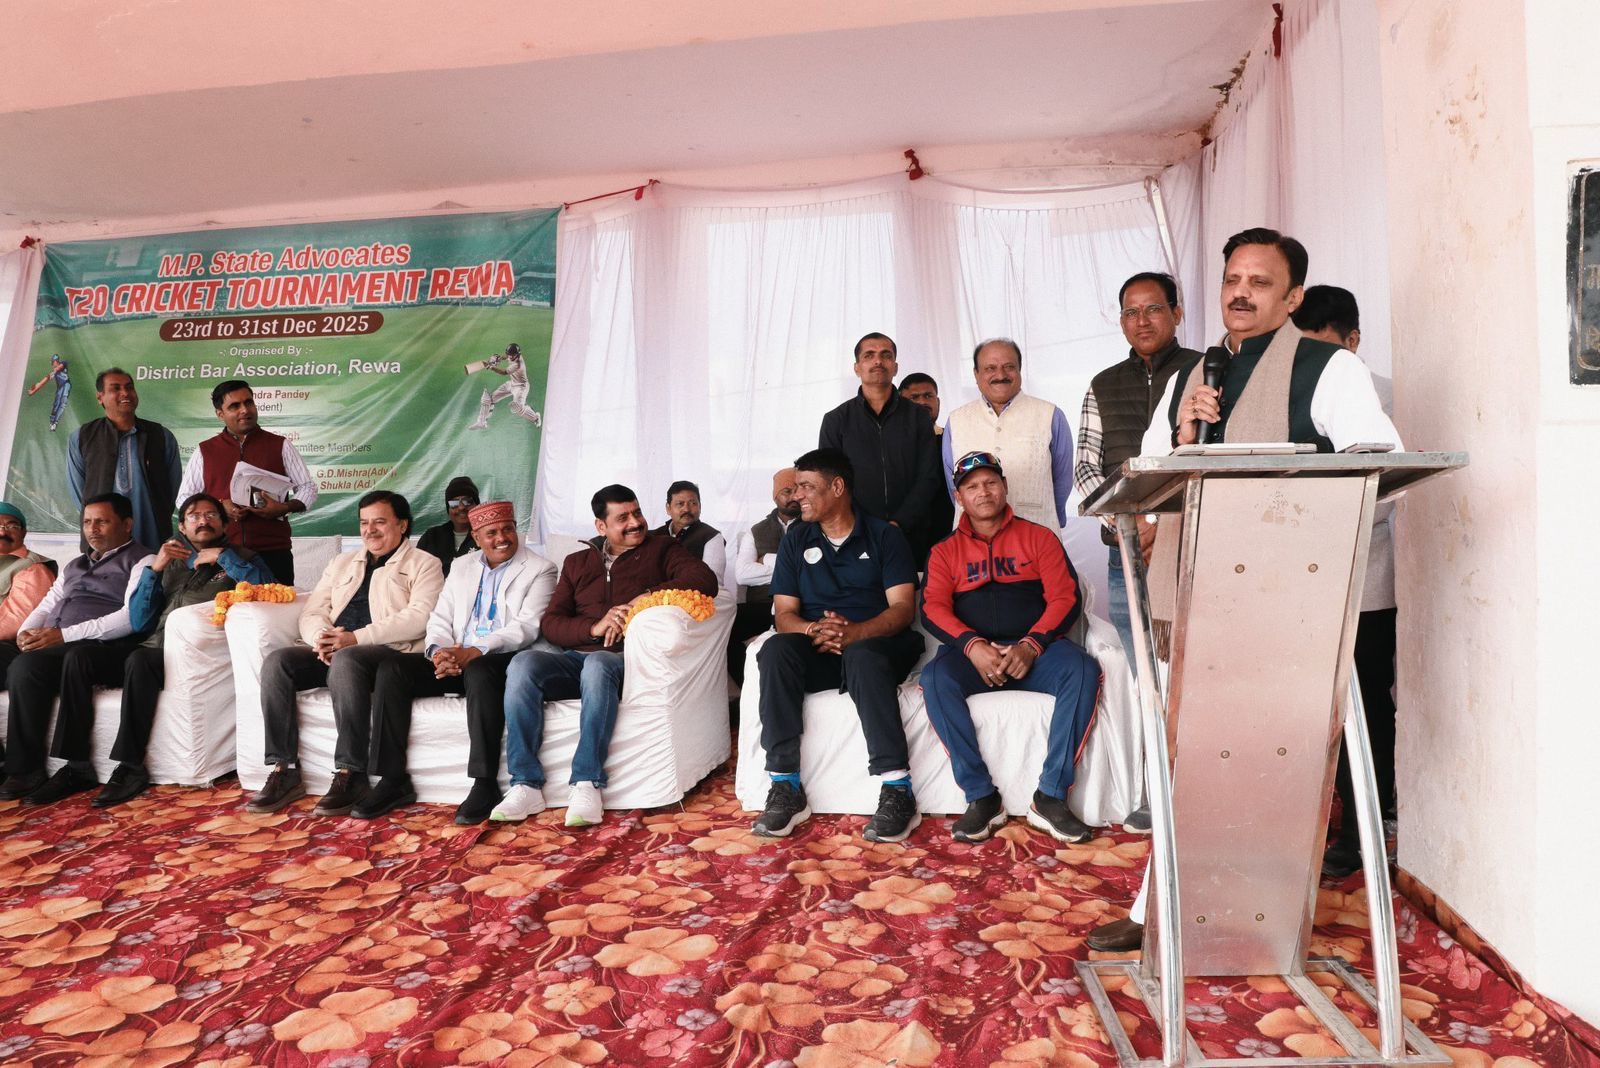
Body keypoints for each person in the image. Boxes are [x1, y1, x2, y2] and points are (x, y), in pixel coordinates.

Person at [1088, 228, 1402, 954]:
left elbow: (1377, 464)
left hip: (1284, 601)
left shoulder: (1328, 368)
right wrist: (1186, 434)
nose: (1241, 292)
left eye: (1260, 282)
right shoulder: (1192, 375)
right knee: (1186, 759)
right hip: (1194, 595)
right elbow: (1156, 473)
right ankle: (1161, 907)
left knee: (1268, 763)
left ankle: (1254, 911)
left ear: (1292, 298)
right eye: (1233, 278)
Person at [493, 484, 717, 827]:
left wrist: (642, 599)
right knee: (523, 663)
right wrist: (594, 628)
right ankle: (525, 784)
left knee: (598, 664)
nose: (635, 522)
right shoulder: (577, 562)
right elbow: (552, 623)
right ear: (601, 526)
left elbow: (703, 579)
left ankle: (587, 781)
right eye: (623, 517)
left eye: (637, 513)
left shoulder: (662, 548)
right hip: (577, 656)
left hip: (625, 660)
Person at [1074, 272, 1203, 834]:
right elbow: (1085, 468)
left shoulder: (1205, 370)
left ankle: (1199, 784)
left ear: (1177, 312)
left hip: (1190, 549)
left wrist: (1160, 523)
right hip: (1123, 552)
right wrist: (1128, 521)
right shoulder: (1103, 384)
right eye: (1131, 311)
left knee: (1194, 669)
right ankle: (1157, 789)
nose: (1142, 321)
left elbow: (1210, 458)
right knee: (1146, 675)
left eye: (1153, 309)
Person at [920, 451, 1100, 844]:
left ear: (1004, 487)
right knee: (934, 678)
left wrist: (1032, 644)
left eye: (990, 483)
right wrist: (972, 646)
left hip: (1035, 651)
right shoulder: (944, 551)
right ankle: (981, 797)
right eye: (972, 487)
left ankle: (1050, 796)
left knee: (1083, 669)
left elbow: (1064, 597)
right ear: (959, 497)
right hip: (973, 657)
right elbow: (932, 608)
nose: (983, 492)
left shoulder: (1039, 537)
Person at [749, 448, 924, 843]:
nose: (797, 496)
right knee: (774, 650)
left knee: (862, 656)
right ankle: (785, 785)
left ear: (838, 487)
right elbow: (784, 615)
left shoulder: (885, 535)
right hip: (819, 648)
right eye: (796, 488)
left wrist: (856, 633)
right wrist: (813, 629)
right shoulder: (797, 538)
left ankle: (897, 788)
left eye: (807, 487)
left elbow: (902, 609)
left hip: (877, 647)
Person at [244, 491, 444, 816]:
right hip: (337, 648)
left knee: (348, 659)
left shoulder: (424, 564)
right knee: (278, 663)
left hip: (388, 653)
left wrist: (354, 639)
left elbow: (420, 617)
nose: (370, 530)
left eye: (380, 522)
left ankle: (351, 773)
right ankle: (284, 770)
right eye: (364, 523)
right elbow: (313, 611)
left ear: (402, 525)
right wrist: (322, 640)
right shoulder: (342, 563)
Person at [361, 501, 557, 823]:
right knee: (393, 669)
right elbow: (440, 617)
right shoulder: (462, 565)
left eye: (507, 529)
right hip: (457, 655)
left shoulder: (540, 568)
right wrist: (440, 652)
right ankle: (392, 779)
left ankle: (484, 783)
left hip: (503, 658)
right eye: (491, 533)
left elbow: (527, 627)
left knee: (479, 670)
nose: (502, 538)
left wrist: (475, 651)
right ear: (477, 537)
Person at [1293, 284, 1397, 878]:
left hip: (1367, 581)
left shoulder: (1382, 394)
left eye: (1324, 347)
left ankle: (1362, 829)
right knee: (1316, 707)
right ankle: (1329, 819)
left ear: (1353, 340)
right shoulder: (1291, 387)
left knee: (1368, 705)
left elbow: (1389, 487)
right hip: (1303, 582)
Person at [90, 493, 274, 807]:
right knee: (80, 658)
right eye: (193, 516)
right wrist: (156, 569)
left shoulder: (243, 558)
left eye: (211, 515)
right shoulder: (171, 562)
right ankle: (73, 765)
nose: (203, 521)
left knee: (139, 661)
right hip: (151, 646)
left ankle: (130, 766)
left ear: (225, 524)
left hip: (196, 655)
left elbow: (268, 591)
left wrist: (223, 558)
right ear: (183, 528)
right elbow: (140, 620)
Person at [0, 494, 155, 804]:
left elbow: (129, 618)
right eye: (87, 522)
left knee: (27, 668)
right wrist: (26, 632)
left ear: (127, 524)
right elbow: (48, 604)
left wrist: (64, 635)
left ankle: (27, 769)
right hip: (52, 640)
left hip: (97, 645)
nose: (92, 529)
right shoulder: (75, 563)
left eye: (102, 521)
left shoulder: (143, 560)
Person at [818, 333, 944, 565]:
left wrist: (899, 522)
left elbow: (928, 476)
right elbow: (831, 482)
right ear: (857, 367)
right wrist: (861, 524)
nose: (878, 361)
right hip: (855, 534)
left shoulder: (918, 417)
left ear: (895, 367)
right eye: (869, 355)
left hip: (912, 533)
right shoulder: (836, 420)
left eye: (886, 355)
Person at [177, 380, 318, 586]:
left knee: (276, 603)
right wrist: (219, 507)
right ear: (220, 414)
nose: (244, 410)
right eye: (234, 406)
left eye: (248, 402)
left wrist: (284, 508)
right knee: (223, 606)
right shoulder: (205, 451)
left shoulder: (280, 445)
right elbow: (184, 498)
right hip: (222, 552)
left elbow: (307, 487)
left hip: (273, 550)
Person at [943, 339, 1074, 532]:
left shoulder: (1050, 415)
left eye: (1009, 367)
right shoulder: (956, 421)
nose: (1000, 375)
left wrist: (1052, 513)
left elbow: (1062, 480)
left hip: (1037, 532)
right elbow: (953, 484)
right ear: (976, 374)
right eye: (990, 368)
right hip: (973, 538)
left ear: (1020, 370)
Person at [67, 367, 181, 551]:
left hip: (151, 536)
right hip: (103, 539)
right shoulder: (83, 437)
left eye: (129, 387)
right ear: (100, 397)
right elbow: (80, 493)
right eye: (116, 388)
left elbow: (172, 488)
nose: (125, 393)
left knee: (151, 568)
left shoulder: (160, 436)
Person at [729, 467, 802, 686]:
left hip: (798, 605)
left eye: (797, 490)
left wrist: (767, 559)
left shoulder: (813, 525)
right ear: (775, 496)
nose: (794, 497)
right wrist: (790, 569)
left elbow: (808, 568)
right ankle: (749, 687)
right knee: (725, 627)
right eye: (787, 491)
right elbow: (742, 575)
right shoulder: (757, 531)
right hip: (762, 604)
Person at [0, 503, 57, 674]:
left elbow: (14, 620)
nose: (3, 532)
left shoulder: (32, 568)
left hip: (11, 646)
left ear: (24, 532)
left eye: (12, 526)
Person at [899, 372, 955, 539]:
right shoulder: (892, 446)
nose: (922, 402)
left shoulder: (953, 440)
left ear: (938, 402)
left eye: (928, 396)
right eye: (914, 397)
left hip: (949, 531)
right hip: (904, 532)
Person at [649, 480, 726, 582]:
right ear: (668, 508)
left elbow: (712, 581)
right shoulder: (652, 537)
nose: (686, 509)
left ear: (700, 507)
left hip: (694, 591)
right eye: (680, 504)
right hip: (651, 591)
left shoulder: (711, 536)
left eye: (693, 503)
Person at [416, 476, 481, 576]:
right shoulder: (431, 537)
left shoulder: (487, 535)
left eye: (467, 501)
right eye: (454, 503)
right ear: (448, 509)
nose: (461, 507)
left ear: (477, 505)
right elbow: (415, 570)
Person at [467, 343, 542, 430]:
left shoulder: (518, 364)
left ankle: (536, 418)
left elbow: (503, 372)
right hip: (511, 383)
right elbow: (505, 356)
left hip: (521, 387)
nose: (510, 357)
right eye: (509, 354)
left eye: (512, 355)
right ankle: (481, 422)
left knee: (517, 408)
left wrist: (490, 367)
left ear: (517, 354)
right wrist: (498, 358)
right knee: (488, 399)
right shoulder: (511, 355)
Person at [27, 354, 70, 431]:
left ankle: (55, 423)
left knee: (62, 403)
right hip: (60, 388)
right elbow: (42, 382)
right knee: (56, 405)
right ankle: (52, 421)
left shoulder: (63, 363)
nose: (52, 364)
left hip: (66, 385)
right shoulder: (53, 373)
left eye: (52, 362)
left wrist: (56, 370)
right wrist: (33, 391)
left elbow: (62, 365)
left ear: (56, 361)